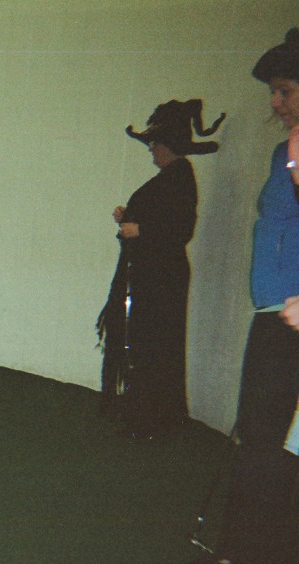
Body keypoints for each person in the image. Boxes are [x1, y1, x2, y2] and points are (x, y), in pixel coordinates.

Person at [199, 28, 299, 564]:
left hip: (293, 323)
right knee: (262, 443)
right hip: (275, 318)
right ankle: (252, 560)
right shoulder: (281, 154)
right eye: (274, 92)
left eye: (285, 90)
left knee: (272, 451)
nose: (275, 103)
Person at [97, 99, 224, 440]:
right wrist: (129, 220)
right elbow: (164, 222)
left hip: (161, 278)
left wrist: (140, 229)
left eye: (154, 144)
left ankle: (151, 420)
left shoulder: (178, 177)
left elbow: (181, 228)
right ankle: (149, 416)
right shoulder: (172, 178)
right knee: (150, 344)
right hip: (154, 275)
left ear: (167, 145)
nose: (151, 150)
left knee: (154, 345)